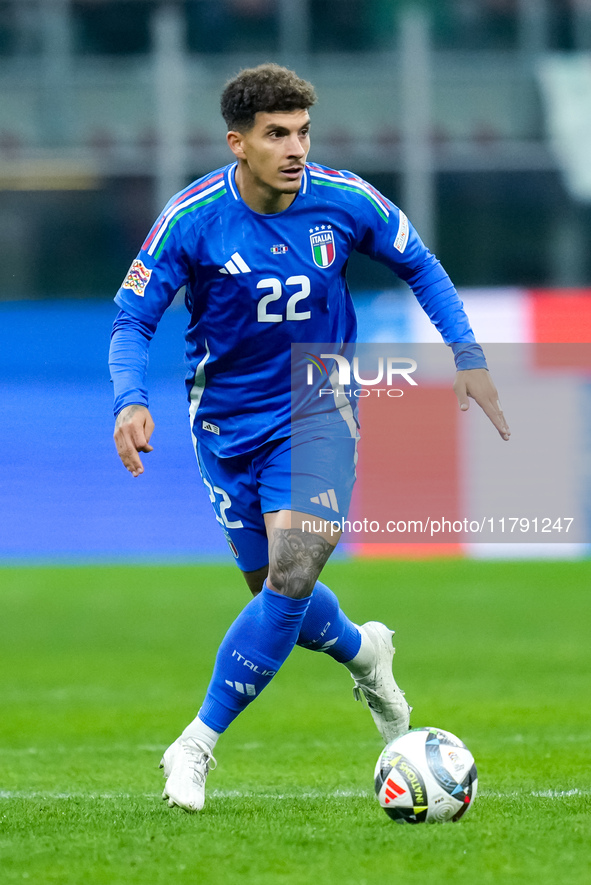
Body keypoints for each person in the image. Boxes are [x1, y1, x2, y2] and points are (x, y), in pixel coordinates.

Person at [109, 64, 510, 813]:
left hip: (317, 402)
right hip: (224, 425)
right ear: (238, 143)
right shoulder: (192, 217)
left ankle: (194, 743)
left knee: (292, 576)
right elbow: (132, 319)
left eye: (302, 132)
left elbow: (418, 263)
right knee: (273, 597)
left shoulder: (343, 198)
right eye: (275, 135)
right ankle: (364, 650)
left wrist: (467, 353)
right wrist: (129, 400)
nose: (294, 149)